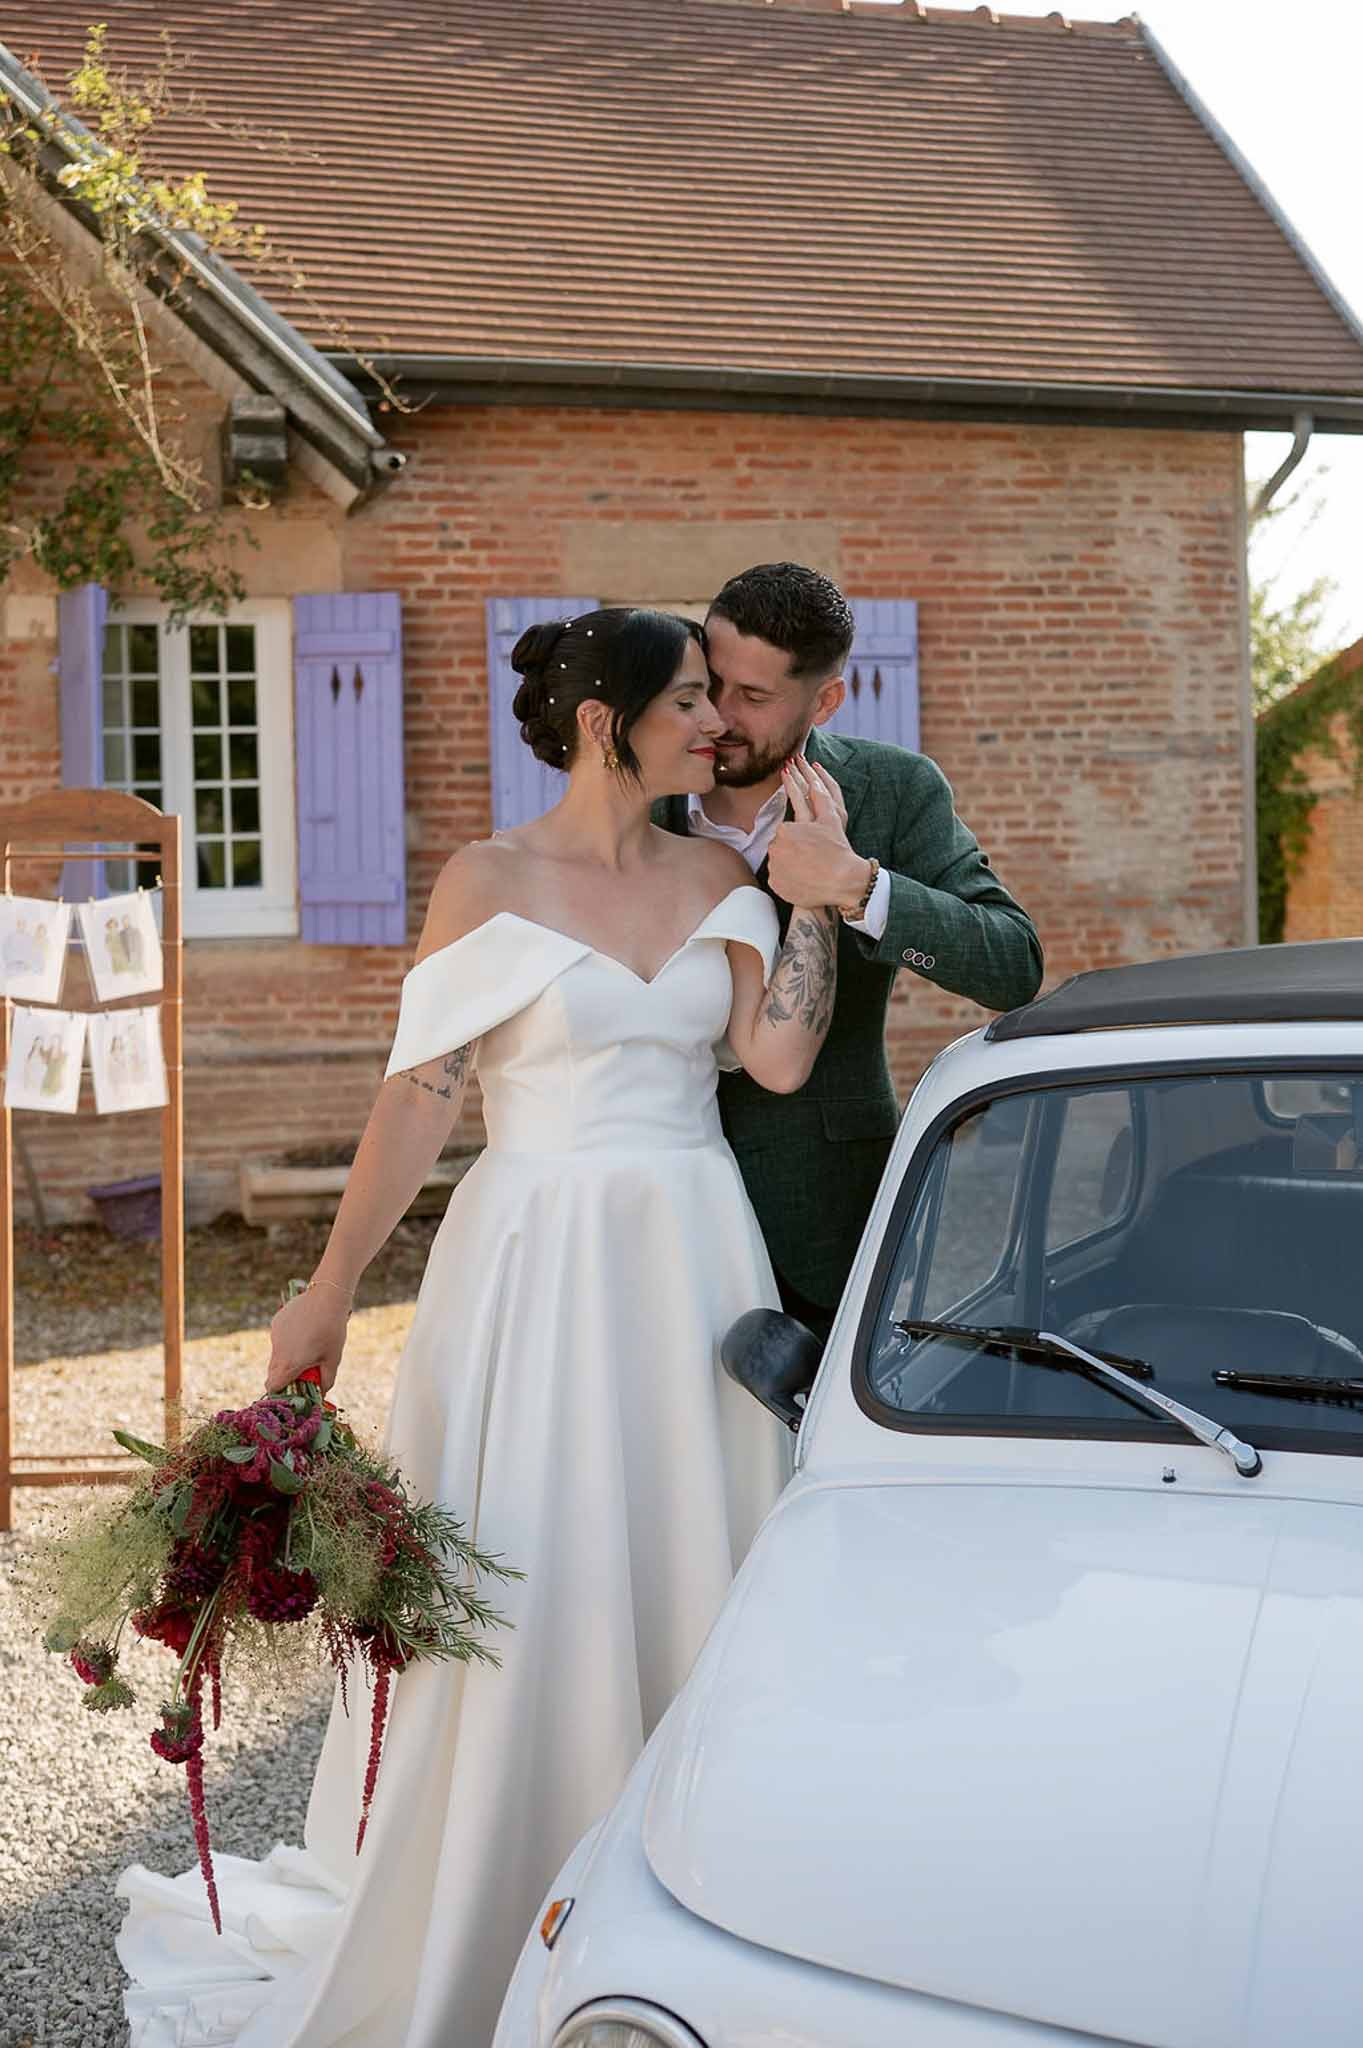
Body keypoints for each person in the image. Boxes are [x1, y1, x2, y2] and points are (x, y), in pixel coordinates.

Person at [115, 608, 842, 2048]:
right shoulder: (486, 881)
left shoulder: (720, 873)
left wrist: (808, 895)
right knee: (533, 1550)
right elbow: (420, 1098)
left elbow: (774, 1054)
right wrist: (326, 1292)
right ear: (602, 722)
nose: (715, 724)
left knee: (688, 1543)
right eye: (690, 700)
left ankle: (689, 1885)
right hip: (531, 1262)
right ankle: (504, 1880)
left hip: (690, 1249)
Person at [656, 561, 1044, 1336]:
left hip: (822, 1208)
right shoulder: (640, 789)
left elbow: (1011, 965)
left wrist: (862, 888)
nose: (719, 717)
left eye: (756, 697)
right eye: (712, 682)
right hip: (657, 1197)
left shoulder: (893, 791)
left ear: (825, 699)